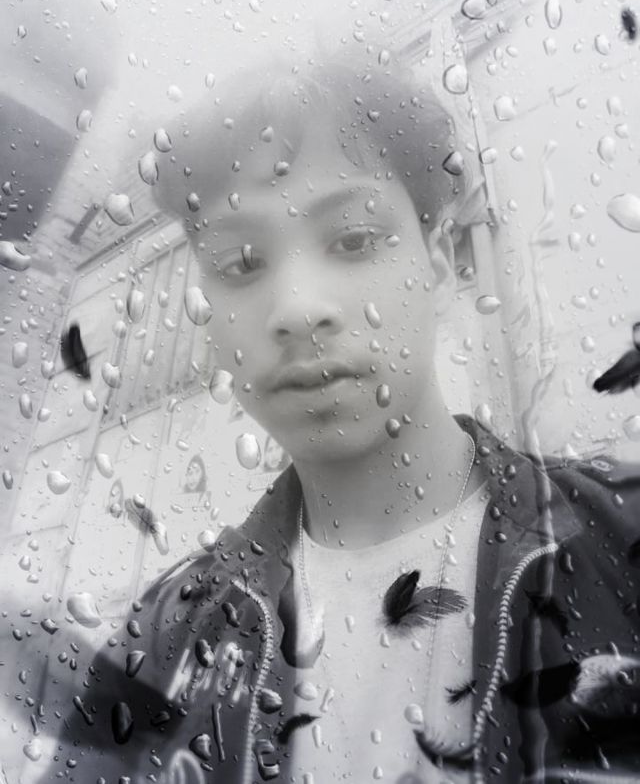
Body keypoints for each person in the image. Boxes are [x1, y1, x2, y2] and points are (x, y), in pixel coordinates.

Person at [34, 49, 640, 784]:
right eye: (241, 263)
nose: (297, 309)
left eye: (353, 240)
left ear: (438, 258)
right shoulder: (165, 638)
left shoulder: (620, 541)